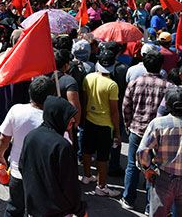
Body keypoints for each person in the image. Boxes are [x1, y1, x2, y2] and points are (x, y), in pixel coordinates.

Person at [121, 50, 174, 212]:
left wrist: (128, 125)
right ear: (161, 66)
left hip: (137, 131)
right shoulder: (169, 87)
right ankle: (150, 206)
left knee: (132, 165)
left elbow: (126, 107)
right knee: (154, 170)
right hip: (159, 136)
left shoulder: (135, 83)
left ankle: (128, 198)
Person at [0, 76, 55, 217]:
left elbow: (4, 138)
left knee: (14, 208)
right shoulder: (54, 118)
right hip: (43, 177)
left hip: (17, 173)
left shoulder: (16, 110)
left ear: (29, 92)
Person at [19, 96, 86, 217]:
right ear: (57, 116)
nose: (73, 120)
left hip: (34, 208)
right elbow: (70, 186)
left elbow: (22, 167)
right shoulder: (62, 146)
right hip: (57, 212)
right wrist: (80, 210)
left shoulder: (31, 136)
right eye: (68, 116)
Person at [80, 49, 121, 197]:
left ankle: (86, 176)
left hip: (89, 121)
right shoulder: (112, 85)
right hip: (105, 126)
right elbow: (114, 112)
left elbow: (84, 101)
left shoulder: (88, 77)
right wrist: (117, 132)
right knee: (103, 157)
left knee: (86, 150)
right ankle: (101, 186)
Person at [137, 87, 182, 217]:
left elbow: (143, 152)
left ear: (167, 105)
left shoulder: (158, 124)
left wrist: (147, 169)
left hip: (163, 177)